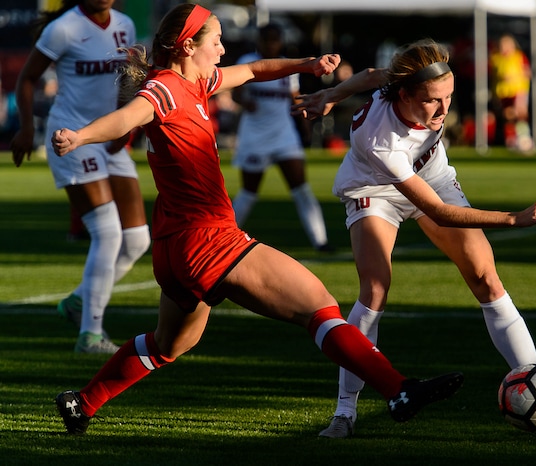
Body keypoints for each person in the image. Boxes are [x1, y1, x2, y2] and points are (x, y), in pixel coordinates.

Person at [50, 4, 464, 436]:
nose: (223, 49)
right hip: (207, 241)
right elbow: (129, 117)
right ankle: (398, 390)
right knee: (318, 306)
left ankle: (84, 401)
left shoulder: (194, 81)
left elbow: (252, 71)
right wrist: (80, 136)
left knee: (171, 343)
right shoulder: (166, 88)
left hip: (174, 248)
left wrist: (307, 64)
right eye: (216, 41)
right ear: (189, 45)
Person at [292, 39, 536, 438]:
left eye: (448, 96)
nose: (444, 108)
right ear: (405, 95)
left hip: (431, 179)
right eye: (433, 100)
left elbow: (373, 75)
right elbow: (439, 213)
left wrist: (332, 92)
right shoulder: (382, 139)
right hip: (375, 189)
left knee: (485, 276)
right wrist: (515, 218)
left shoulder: (403, 84)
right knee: (375, 291)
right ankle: (345, 413)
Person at [10, 0, 151, 354]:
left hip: (108, 137)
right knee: (107, 233)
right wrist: (26, 128)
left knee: (136, 240)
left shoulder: (125, 25)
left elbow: (129, 79)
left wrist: (125, 125)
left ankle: (77, 303)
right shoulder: (64, 28)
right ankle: (90, 335)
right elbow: (27, 78)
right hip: (70, 138)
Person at [231, 23, 332, 252]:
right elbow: (236, 93)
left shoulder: (287, 66)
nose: (271, 44)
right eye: (267, 39)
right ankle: (223, 238)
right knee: (248, 192)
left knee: (302, 188)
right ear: (259, 41)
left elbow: (294, 99)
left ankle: (321, 241)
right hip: (255, 136)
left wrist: (304, 125)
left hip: (284, 135)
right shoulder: (247, 61)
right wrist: (244, 101)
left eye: (275, 39)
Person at [489, 34, 533, 152]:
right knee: (508, 116)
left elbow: (527, 72)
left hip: (518, 90)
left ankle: (524, 138)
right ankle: (512, 140)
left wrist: (515, 76)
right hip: (503, 92)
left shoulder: (518, 57)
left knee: (519, 113)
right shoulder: (495, 58)